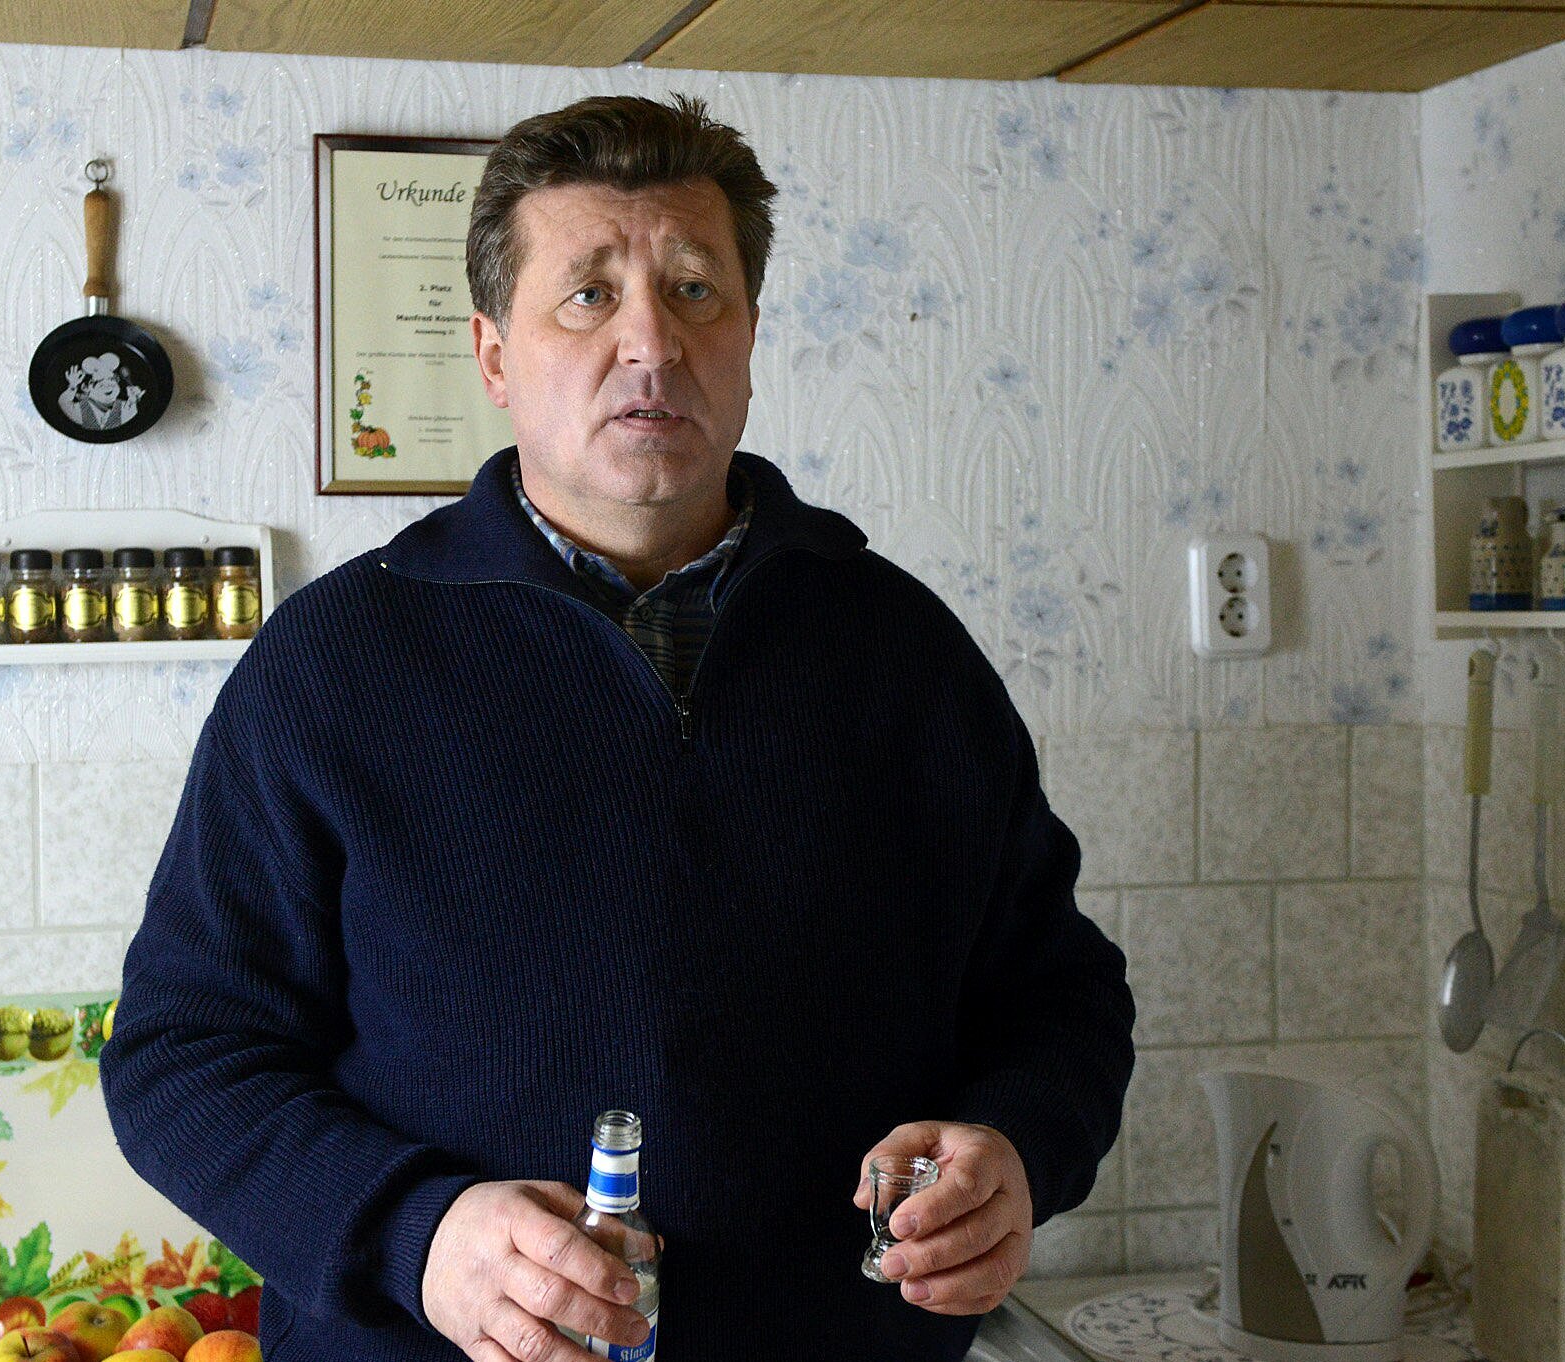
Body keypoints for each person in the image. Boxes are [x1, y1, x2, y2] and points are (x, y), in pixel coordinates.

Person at [101, 93, 1136, 1362]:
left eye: (696, 290)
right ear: (494, 356)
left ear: (748, 337)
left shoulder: (905, 652)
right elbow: (182, 1059)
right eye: (588, 296)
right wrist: (418, 1236)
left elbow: (1060, 996)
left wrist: (1021, 1145)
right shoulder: (333, 664)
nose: (652, 341)